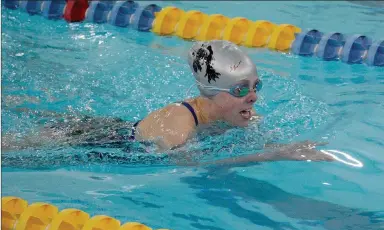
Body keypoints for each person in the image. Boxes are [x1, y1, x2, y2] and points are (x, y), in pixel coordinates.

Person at [1, 40, 334, 165]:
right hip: (93, 140)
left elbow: (263, 137)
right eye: (240, 90)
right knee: (13, 148)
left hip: (113, 127)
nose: (253, 97)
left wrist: (290, 148)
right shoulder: (178, 125)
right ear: (211, 92)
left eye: (255, 86)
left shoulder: (240, 112)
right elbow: (195, 167)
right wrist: (271, 156)